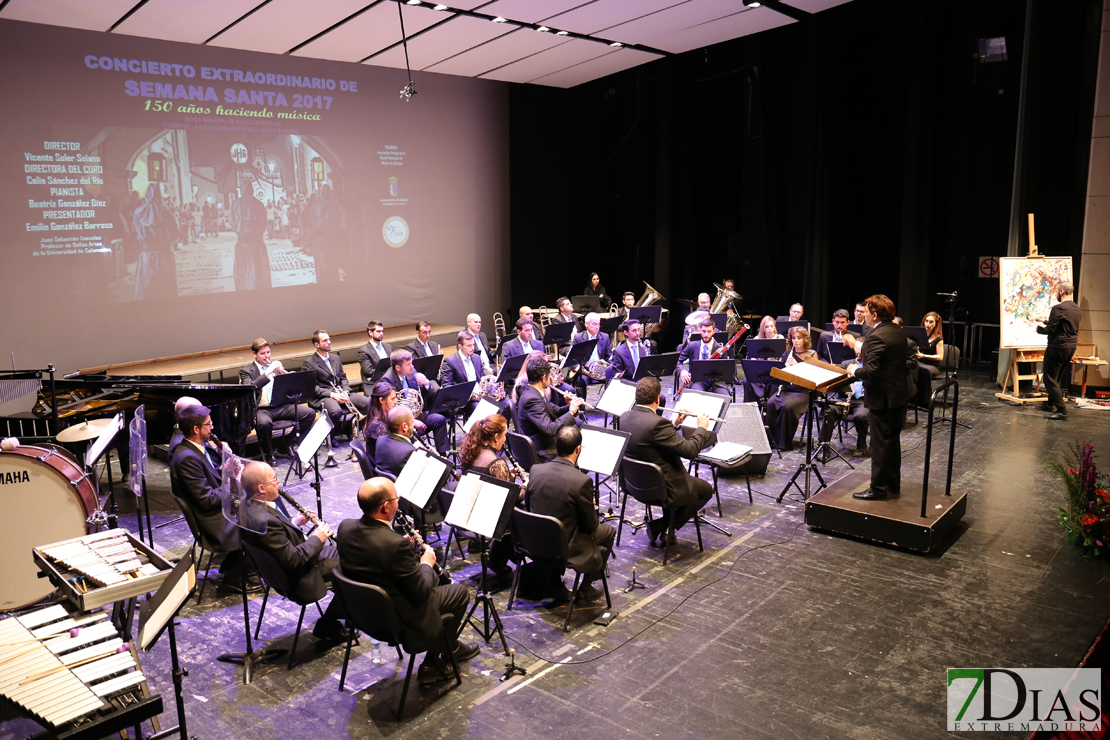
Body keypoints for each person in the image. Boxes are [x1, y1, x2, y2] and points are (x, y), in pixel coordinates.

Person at [337, 478, 479, 685]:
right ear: (386, 506)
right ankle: (432, 664)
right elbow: (421, 591)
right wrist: (426, 563)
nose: (398, 502)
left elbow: (375, 555)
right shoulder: (393, 545)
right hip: (399, 619)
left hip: (363, 613)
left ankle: (453, 646)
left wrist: (403, 550)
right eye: (396, 498)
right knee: (458, 592)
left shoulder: (345, 527)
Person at [238, 462, 348, 642]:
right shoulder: (263, 520)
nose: (278, 482)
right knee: (358, 567)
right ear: (261, 488)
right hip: (302, 574)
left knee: (347, 552)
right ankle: (328, 624)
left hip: (298, 560)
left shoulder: (248, 506)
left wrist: (294, 523)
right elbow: (293, 559)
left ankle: (347, 608)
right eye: (274, 479)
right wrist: (318, 538)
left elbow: (276, 542)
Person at [619, 377, 715, 544]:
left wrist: (675, 424)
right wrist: (702, 428)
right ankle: (661, 526)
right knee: (705, 490)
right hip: (661, 489)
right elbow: (690, 451)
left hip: (634, 485)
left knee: (671, 472)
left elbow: (653, 439)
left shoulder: (624, 417)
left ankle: (666, 529)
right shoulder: (657, 423)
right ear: (657, 399)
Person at [527, 426, 615, 603]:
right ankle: (585, 588)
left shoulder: (535, 470)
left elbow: (530, 507)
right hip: (563, 546)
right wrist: (591, 507)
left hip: (535, 541)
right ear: (578, 449)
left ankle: (555, 583)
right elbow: (591, 526)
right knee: (609, 532)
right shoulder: (582, 481)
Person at [169, 404, 246, 591]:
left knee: (259, 501)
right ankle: (236, 577)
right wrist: (237, 483)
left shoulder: (195, 449)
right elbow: (206, 499)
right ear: (196, 429)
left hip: (217, 511)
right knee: (262, 515)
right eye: (209, 424)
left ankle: (236, 564)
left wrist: (226, 472)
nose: (212, 427)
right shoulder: (186, 457)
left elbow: (208, 481)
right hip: (213, 523)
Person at [846, 294, 910, 500]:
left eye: (865, 312)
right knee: (892, 442)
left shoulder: (876, 336)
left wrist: (854, 370)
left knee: (880, 444)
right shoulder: (898, 332)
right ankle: (892, 485)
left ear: (874, 315)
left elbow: (871, 371)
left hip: (883, 398)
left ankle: (878, 489)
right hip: (899, 395)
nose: (863, 316)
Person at [458, 414, 522, 585]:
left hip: (473, 508)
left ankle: (498, 560)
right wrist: (527, 486)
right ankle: (504, 558)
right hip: (491, 519)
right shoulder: (496, 463)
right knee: (525, 512)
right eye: (504, 435)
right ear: (495, 437)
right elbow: (511, 498)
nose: (505, 439)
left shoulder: (472, 451)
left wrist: (507, 474)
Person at [240, 338, 314, 466]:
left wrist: (283, 375)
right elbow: (251, 388)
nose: (266, 356)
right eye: (263, 353)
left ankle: (286, 445)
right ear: (254, 354)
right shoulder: (246, 371)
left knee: (309, 414)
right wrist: (268, 372)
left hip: (280, 405)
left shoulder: (274, 367)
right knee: (264, 424)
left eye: (268, 352)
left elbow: (288, 389)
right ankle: (269, 453)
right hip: (261, 409)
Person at [301, 331, 369, 443]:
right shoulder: (309, 363)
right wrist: (333, 395)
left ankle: (349, 428)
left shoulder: (335, 358)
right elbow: (313, 388)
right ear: (317, 345)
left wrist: (346, 391)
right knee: (335, 411)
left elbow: (343, 378)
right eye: (325, 340)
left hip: (341, 392)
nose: (329, 342)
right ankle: (330, 436)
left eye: (329, 339)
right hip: (323, 396)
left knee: (369, 403)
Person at [516, 353, 583, 462]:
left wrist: (569, 405)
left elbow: (554, 410)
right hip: (541, 450)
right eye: (549, 376)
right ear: (543, 378)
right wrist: (571, 412)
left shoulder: (535, 392)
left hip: (543, 441)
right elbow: (549, 429)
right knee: (577, 451)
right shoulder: (531, 399)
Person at [381, 349, 449, 454]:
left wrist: (426, 383)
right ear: (398, 368)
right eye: (408, 364)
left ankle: (443, 456)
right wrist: (411, 421)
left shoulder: (412, 372)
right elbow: (390, 409)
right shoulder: (387, 380)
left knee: (439, 419)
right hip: (401, 422)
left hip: (416, 414)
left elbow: (424, 394)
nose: (412, 366)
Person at [764, 327, 817, 451]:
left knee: (787, 407)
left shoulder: (812, 354)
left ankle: (784, 442)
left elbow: (814, 376)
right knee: (771, 403)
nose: (796, 341)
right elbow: (780, 374)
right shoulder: (788, 353)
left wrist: (797, 367)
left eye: (799, 338)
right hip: (787, 389)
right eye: (794, 338)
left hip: (803, 392)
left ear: (805, 339)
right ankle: (772, 441)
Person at [1036, 281, 1081, 420]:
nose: (1055, 293)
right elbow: (1062, 325)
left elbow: (1052, 330)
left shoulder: (1058, 308)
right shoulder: (1076, 308)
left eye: (1056, 291)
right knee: (1057, 377)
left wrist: (1040, 329)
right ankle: (1050, 404)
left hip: (1057, 347)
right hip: (1070, 347)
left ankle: (1062, 411)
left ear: (1061, 292)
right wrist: (1045, 321)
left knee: (1050, 379)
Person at [230, 191, 271, 291]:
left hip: (252, 244)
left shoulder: (237, 204)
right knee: (252, 275)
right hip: (251, 245)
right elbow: (263, 225)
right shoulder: (256, 204)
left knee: (252, 275)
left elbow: (232, 222)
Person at [678, 317, 733, 393]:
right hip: (698, 381)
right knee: (697, 395)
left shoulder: (720, 348)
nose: (706, 334)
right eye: (703, 331)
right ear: (700, 331)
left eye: (709, 331)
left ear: (713, 332)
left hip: (716, 382)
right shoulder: (692, 345)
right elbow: (678, 361)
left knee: (725, 397)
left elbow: (725, 370)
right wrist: (682, 371)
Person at [357, 320, 393, 385]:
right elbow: (369, 371)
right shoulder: (364, 351)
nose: (381, 333)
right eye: (378, 331)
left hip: (391, 380)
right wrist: (388, 372)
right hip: (376, 383)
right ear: (370, 333)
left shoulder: (388, 347)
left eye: (382, 331)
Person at [916, 312, 945, 379]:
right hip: (920, 363)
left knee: (923, 371)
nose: (928, 324)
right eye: (926, 321)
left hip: (932, 365)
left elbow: (940, 357)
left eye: (931, 322)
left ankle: (924, 389)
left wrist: (924, 356)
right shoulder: (919, 335)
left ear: (936, 324)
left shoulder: (938, 338)